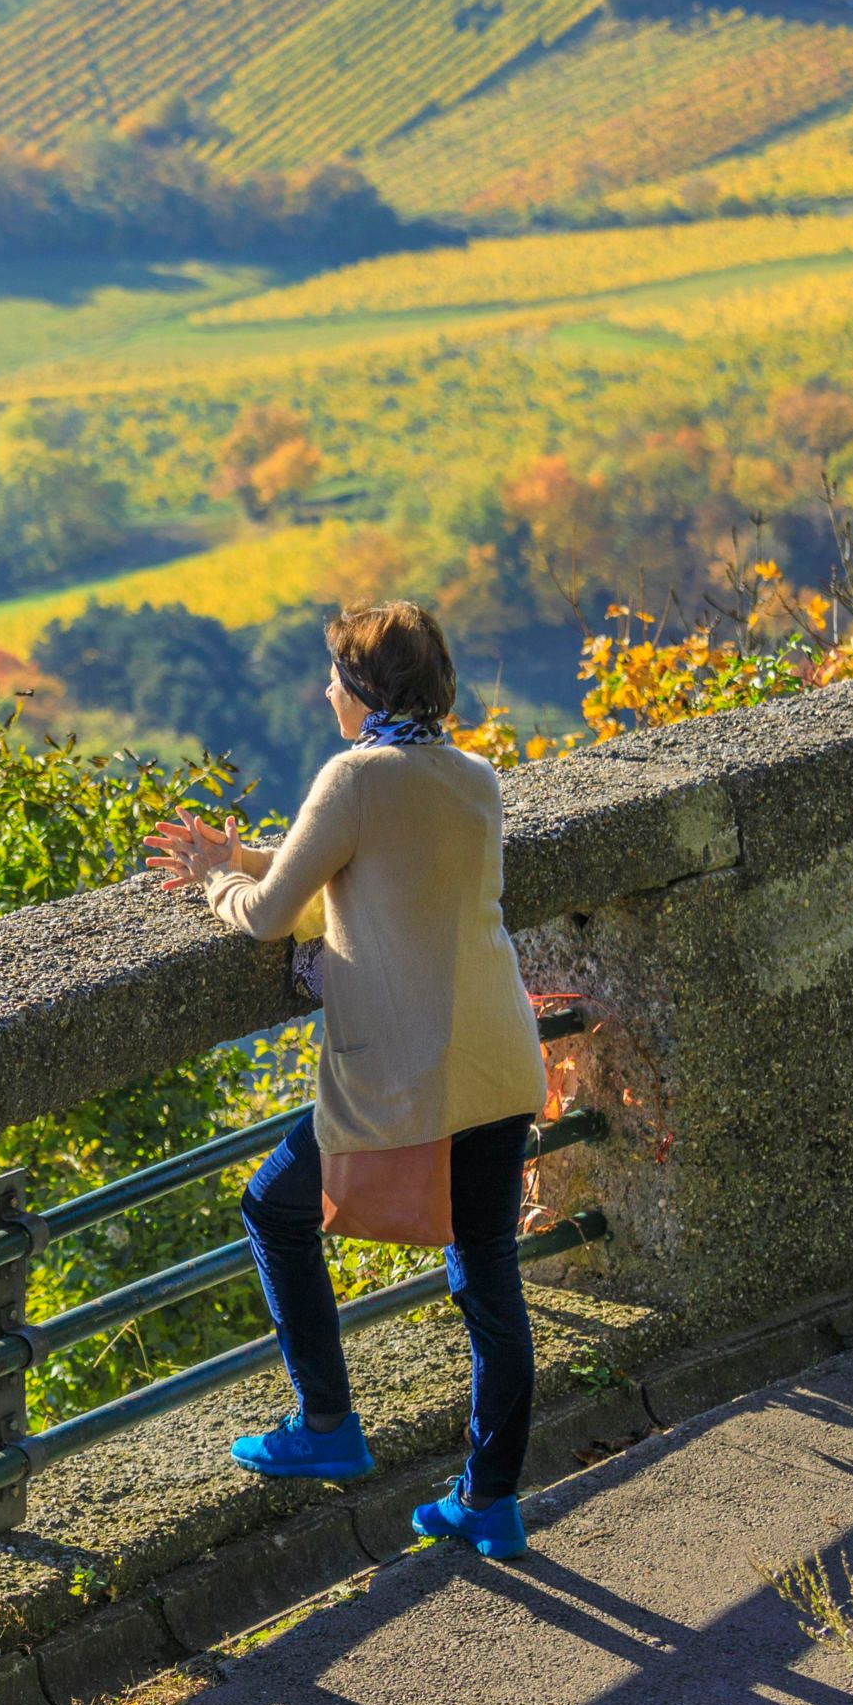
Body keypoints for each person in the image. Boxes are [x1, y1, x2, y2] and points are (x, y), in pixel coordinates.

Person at [142, 600, 545, 1558]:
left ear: (363, 691)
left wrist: (215, 884)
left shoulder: (354, 774)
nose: (324, 690)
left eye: (333, 675)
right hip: (500, 1060)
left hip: (410, 1075)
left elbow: (277, 912)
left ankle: (327, 1425)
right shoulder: (475, 777)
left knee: (274, 1207)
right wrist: (229, 852)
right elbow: (351, 865)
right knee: (489, 1287)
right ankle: (490, 1501)